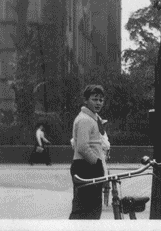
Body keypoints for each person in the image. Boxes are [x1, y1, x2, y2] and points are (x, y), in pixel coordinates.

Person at [69, 85, 107, 220]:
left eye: (101, 100)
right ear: (86, 100)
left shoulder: (92, 118)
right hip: (86, 167)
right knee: (85, 210)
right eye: (94, 99)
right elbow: (82, 147)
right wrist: (96, 164)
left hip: (87, 166)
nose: (98, 103)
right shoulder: (85, 120)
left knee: (89, 209)